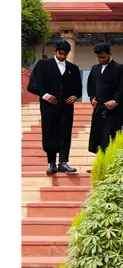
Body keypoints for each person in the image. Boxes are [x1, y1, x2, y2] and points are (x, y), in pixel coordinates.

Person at [26, 40, 82, 175]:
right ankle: (51, 163)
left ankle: (63, 162)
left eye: (65, 54)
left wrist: (75, 96)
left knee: (65, 132)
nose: (62, 56)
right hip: (49, 106)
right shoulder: (43, 65)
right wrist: (45, 95)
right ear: (55, 51)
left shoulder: (73, 68)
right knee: (50, 132)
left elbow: (78, 88)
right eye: (60, 53)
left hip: (67, 107)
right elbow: (33, 85)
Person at [86, 43, 123, 162]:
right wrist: (92, 98)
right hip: (99, 109)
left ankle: (112, 164)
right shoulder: (95, 69)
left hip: (114, 111)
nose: (101, 59)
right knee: (99, 137)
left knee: (111, 136)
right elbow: (91, 86)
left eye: (103, 57)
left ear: (110, 54)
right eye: (99, 57)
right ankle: (100, 163)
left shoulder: (120, 69)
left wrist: (115, 101)